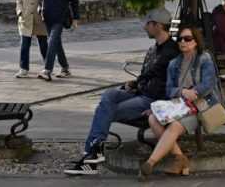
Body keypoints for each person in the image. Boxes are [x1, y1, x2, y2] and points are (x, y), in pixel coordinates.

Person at [65, 9, 178, 176]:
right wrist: (133, 85)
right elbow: (146, 76)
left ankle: (92, 154)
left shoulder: (170, 51)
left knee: (107, 110)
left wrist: (139, 86)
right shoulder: (154, 48)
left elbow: (155, 73)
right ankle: (93, 153)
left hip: (151, 100)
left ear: (158, 25)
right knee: (109, 96)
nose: (145, 28)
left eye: (148, 24)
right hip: (141, 92)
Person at [140, 27, 222, 179]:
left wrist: (194, 92)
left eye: (188, 39)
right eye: (180, 39)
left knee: (175, 126)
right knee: (153, 118)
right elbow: (169, 90)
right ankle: (180, 158)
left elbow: (208, 85)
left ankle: (150, 163)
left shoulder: (204, 59)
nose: (183, 42)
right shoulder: (173, 64)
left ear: (196, 41)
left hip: (201, 106)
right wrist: (183, 92)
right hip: (180, 105)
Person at [38, 0, 79, 81]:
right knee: (56, 43)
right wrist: (40, 9)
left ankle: (47, 70)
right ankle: (65, 68)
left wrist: (76, 18)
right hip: (47, 18)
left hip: (61, 18)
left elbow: (74, 1)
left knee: (51, 41)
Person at [15, 0, 48, 78]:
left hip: (39, 20)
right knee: (24, 45)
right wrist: (20, 12)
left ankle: (48, 67)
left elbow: (46, 0)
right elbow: (19, 0)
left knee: (43, 44)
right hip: (25, 19)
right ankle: (23, 69)